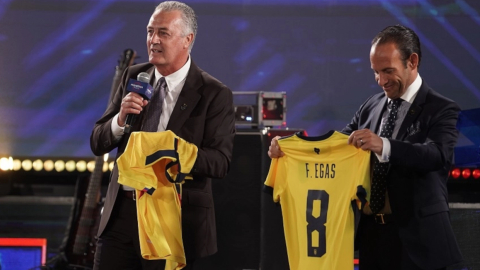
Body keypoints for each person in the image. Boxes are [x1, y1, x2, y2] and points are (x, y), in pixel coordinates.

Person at [268, 25, 462, 270]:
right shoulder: (371, 105)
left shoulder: (442, 109)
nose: (381, 81)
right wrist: (289, 150)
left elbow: (438, 156)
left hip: (421, 244)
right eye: (376, 72)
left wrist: (384, 145)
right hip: (373, 239)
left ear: (412, 61)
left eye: (388, 71)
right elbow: (337, 146)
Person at [90, 1, 235, 269]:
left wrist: (173, 151)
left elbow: (220, 162)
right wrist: (120, 120)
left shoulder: (214, 93)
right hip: (122, 213)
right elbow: (97, 141)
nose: (153, 40)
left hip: (173, 220)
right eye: (149, 31)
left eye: (163, 33)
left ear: (187, 40)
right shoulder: (134, 75)